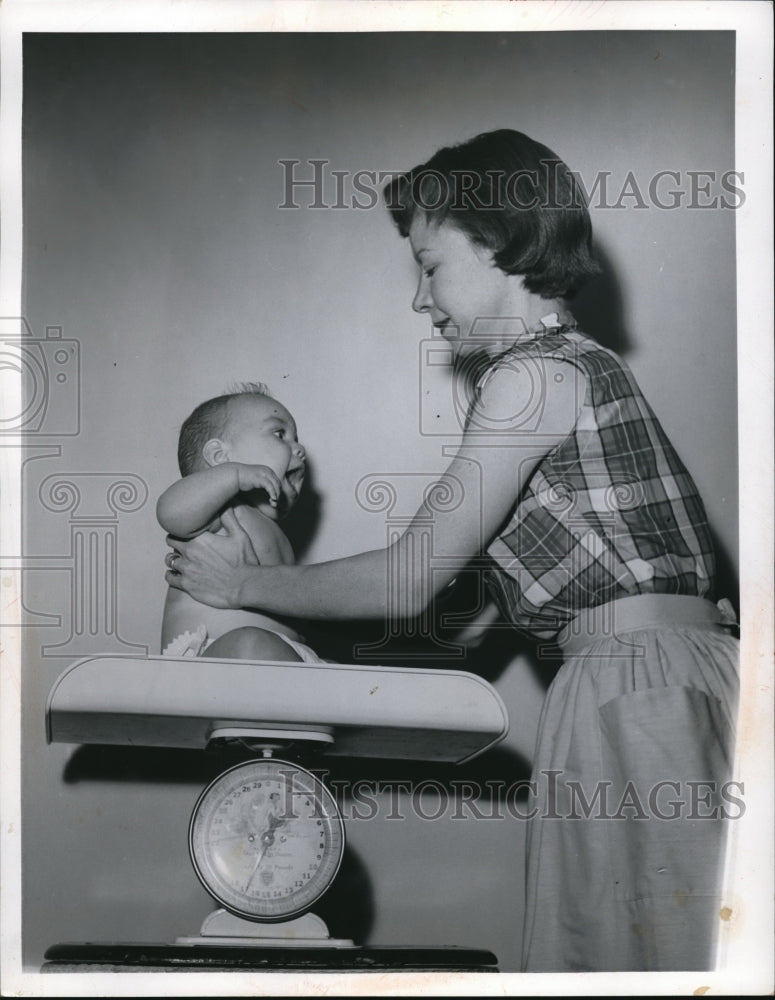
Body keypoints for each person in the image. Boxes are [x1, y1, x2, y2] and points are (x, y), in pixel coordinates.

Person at [164, 130, 739, 972]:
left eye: (429, 266)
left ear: (500, 243)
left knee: (649, 960)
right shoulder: (565, 370)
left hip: (638, 676)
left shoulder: (531, 376)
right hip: (642, 671)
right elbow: (455, 618)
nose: (419, 299)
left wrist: (247, 581)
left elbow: (408, 580)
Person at [158, 382, 320, 663]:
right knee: (251, 643)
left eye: (296, 438)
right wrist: (233, 477)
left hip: (284, 654)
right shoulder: (223, 512)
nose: (299, 449)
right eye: (280, 434)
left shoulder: (276, 534)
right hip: (215, 653)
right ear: (221, 458)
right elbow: (170, 511)